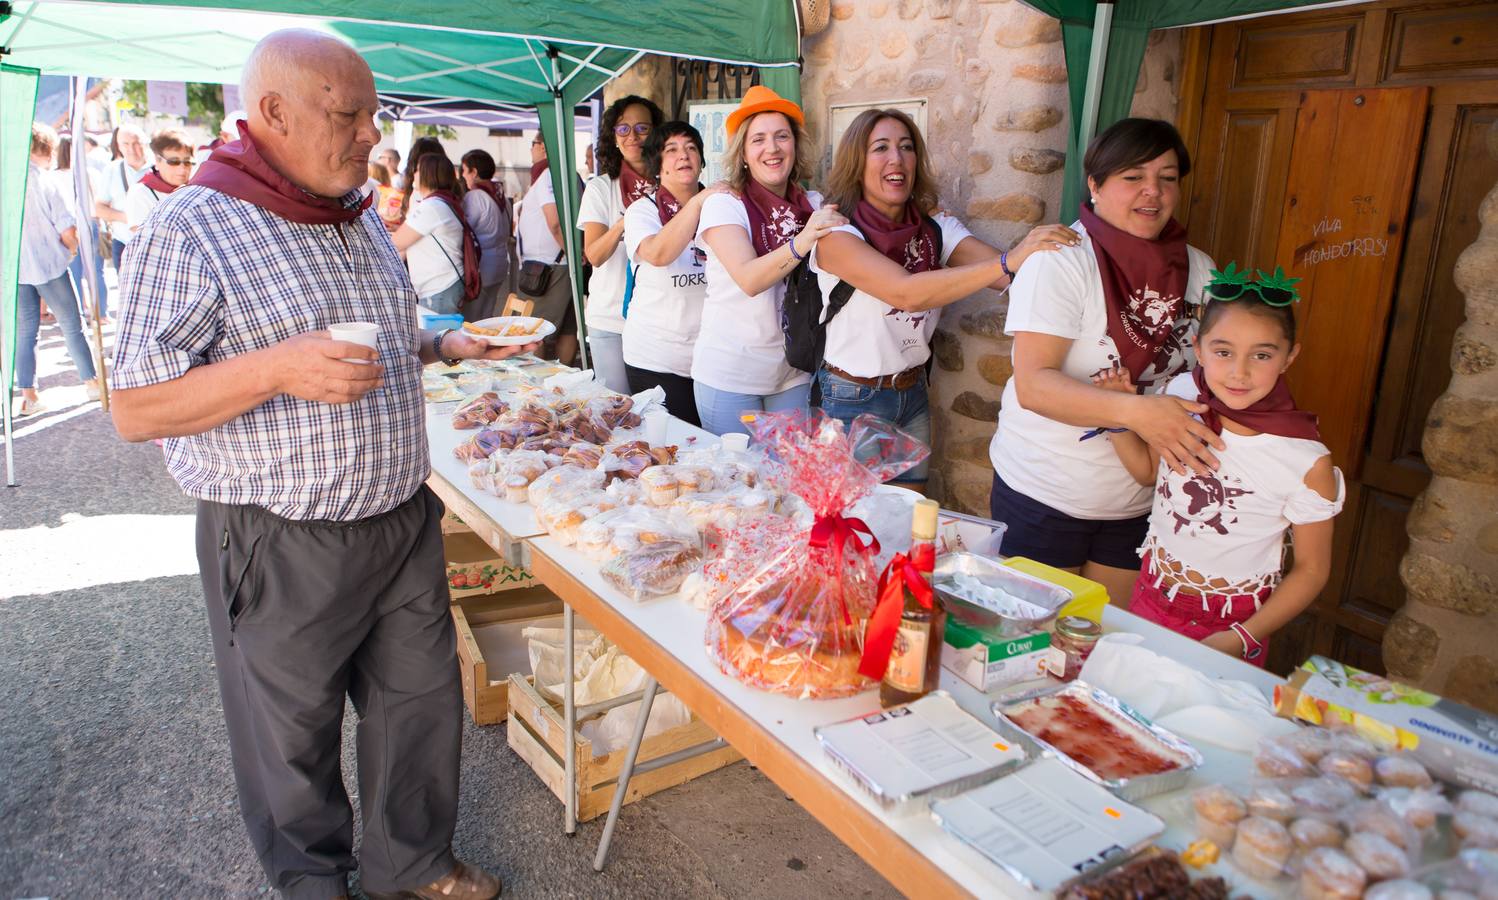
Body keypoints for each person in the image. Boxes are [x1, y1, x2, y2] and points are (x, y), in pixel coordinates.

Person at [110, 30, 530, 900]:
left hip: (399, 517)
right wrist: (274, 367)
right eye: (348, 116)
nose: (370, 135)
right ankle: (312, 884)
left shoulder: (355, 212)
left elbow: (371, 328)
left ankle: (410, 863)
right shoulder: (191, 228)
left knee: (420, 707)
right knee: (289, 738)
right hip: (279, 537)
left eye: (372, 115)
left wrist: (444, 340)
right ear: (272, 113)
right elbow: (135, 405)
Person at [988, 118, 1222, 606]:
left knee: (1103, 640)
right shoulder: (1062, 260)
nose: (1152, 192)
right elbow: (1035, 385)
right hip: (1045, 492)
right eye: (1133, 177)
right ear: (1095, 184)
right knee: (1035, 643)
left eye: (1168, 177)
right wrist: (1138, 413)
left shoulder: (1199, 270)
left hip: (1139, 500)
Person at [812, 109, 1078, 493]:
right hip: (853, 399)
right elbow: (906, 292)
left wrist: (1060, 267)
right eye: (880, 148)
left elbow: (1010, 275)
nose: (896, 159)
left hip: (913, 393)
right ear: (856, 163)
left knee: (908, 520)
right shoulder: (837, 234)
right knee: (856, 527)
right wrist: (1008, 259)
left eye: (906, 148)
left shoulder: (936, 228)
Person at [1091, 270, 1342, 665]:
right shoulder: (1180, 397)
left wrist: (1241, 637)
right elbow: (1147, 473)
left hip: (1232, 627)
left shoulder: (1305, 460)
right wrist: (1122, 418)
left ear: (1289, 356)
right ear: (1199, 347)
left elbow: (1312, 570)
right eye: (1223, 352)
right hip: (1149, 596)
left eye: (1261, 355)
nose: (1239, 372)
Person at [693, 86, 846, 435]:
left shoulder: (812, 201)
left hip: (792, 372)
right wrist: (805, 238)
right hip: (730, 375)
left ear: (795, 146)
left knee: (786, 484)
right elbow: (749, 279)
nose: (772, 148)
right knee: (735, 484)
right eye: (758, 139)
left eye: (782, 136)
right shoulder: (725, 205)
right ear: (743, 153)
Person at [620, 121, 724, 425]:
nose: (684, 156)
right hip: (655, 358)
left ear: (702, 161)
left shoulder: (721, 207)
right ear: (658, 164)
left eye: (692, 148)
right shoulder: (643, 211)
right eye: (672, 150)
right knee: (674, 450)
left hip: (713, 358)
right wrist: (697, 203)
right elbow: (658, 253)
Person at [578, 95, 664, 395]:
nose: (633, 136)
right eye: (623, 129)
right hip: (611, 319)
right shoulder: (601, 188)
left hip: (660, 321)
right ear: (613, 137)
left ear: (656, 133)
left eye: (642, 127)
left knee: (656, 410)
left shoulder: (670, 185)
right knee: (618, 411)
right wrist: (628, 220)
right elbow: (595, 254)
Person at [17, 124, 100, 416]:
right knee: (71, 325)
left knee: (25, 332)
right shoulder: (43, 180)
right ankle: (91, 383)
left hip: (15, 268)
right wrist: (76, 250)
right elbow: (66, 228)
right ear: (44, 148)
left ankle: (28, 395)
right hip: (49, 264)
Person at [515, 131, 578, 363]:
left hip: (549, 266)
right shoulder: (558, 175)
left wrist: (573, 254)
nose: (530, 149)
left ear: (543, 147)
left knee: (535, 331)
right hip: (557, 262)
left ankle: (537, 381)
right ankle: (564, 376)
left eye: (532, 144)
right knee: (567, 327)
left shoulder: (549, 175)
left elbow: (554, 223)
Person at [393, 152, 470, 314]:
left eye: (418, 170)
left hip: (439, 287)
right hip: (443, 286)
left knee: (438, 337)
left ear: (429, 174)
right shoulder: (442, 202)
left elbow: (396, 243)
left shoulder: (432, 207)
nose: (414, 174)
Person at [93, 123, 151, 320]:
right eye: (125, 144)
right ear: (118, 146)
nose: (132, 149)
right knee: (130, 297)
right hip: (125, 242)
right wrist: (128, 217)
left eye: (136, 143)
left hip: (156, 242)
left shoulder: (158, 167)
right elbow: (99, 208)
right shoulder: (112, 170)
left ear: (145, 143)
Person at [52, 136, 111, 325]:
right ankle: (101, 314)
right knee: (96, 271)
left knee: (74, 272)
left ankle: (80, 313)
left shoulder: (54, 176)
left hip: (66, 227)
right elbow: (96, 201)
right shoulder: (88, 172)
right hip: (89, 222)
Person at [459, 149, 511, 320]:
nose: (463, 175)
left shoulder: (475, 197)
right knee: (487, 315)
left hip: (482, 263)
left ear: (474, 172)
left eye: (464, 170)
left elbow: (464, 229)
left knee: (473, 318)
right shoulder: (500, 193)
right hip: (500, 261)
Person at [124, 129, 195, 231]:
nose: (182, 168)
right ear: (157, 160)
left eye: (187, 162)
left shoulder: (194, 189)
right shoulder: (140, 193)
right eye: (174, 162)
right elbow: (142, 239)